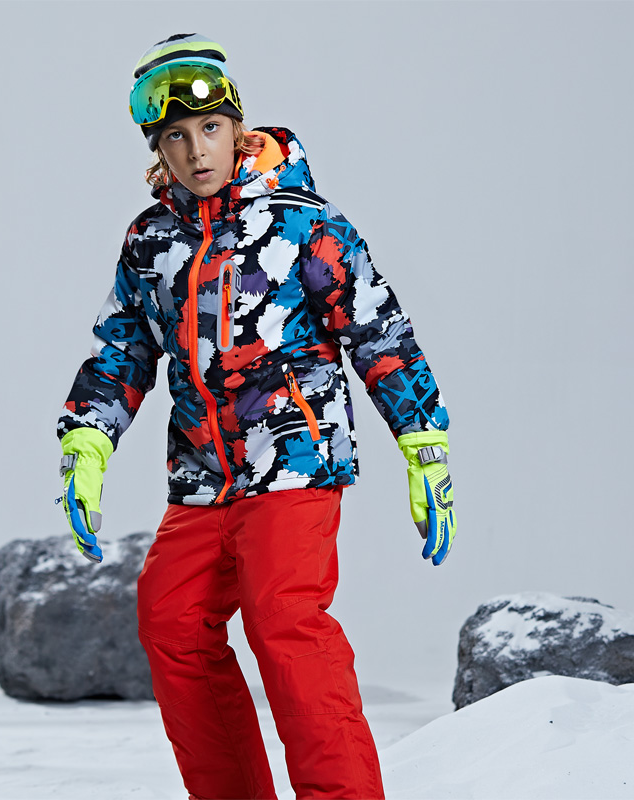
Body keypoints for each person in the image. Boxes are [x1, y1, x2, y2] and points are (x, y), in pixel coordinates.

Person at [57, 32, 456, 800]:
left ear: (238, 128)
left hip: (294, 460)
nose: (196, 150)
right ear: (157, 149)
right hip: (203, 476)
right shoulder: (151, 241)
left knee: (284, 623)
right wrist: (88, 440)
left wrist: (423, 442)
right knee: (171, 621)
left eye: (209, 128)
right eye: (175, 136)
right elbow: (124, 350)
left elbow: (380, 334)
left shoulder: (304, 223)